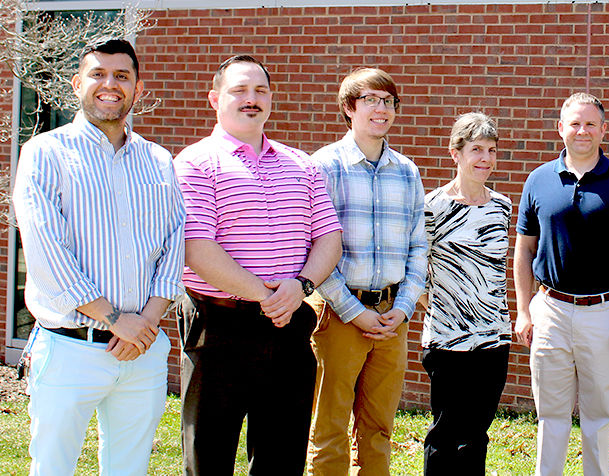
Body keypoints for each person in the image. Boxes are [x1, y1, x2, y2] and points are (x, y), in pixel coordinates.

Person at [12, 39, 185, 475]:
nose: (110, 85)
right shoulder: (45, 153)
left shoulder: (158, 160)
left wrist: (146, 320)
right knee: (53, 467)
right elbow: (45, 249)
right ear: (77, 84)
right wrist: (114, 318)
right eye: (98, 74)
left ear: (138, 88)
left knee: (129, 468)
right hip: (71, 346)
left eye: (122, 76)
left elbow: (173, 244)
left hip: (142, 351)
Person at [174, 55, 342, 475]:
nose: (252, 99)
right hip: (219, 327)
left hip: (288, 327)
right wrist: (269, 294)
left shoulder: (302, 164)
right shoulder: (195, 162)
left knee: (282, 458)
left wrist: (300, 287)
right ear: (215, 99)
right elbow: (197, 248)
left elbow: (329, 238)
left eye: (260, 91)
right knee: (209, 455)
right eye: (239, 90)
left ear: (271, 99)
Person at [514, 92, 609, 476]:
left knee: (599, 417)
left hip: (605, 313)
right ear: (560, 128)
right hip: (550, 311)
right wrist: (524, 311)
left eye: (591, 124)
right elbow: (523, 250)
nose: (582, 130)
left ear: (603, 130)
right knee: (550, 416)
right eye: (574, 123)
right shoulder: (538, 180)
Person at [308, 67, 427, 476]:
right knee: (330, 428)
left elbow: (418, 246)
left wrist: (406, 305)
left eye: (388, 101)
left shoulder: (407, 171)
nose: (382, 109)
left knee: (379, 428)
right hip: (338, 314)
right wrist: (354, 312)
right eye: (371, 100)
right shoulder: (323, 166)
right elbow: (312, 250)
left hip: (394, 317)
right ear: (349, 107)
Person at [417, 112, 512, 475]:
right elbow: (417, 269)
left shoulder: (501, 206)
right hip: (447, 340)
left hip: (493, 338)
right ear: (455, 153)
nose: (485, 158)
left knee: (476, 436)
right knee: (445, 436)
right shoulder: (433, 207)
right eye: (476, 149)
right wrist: (443, 305)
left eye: (491, 149)